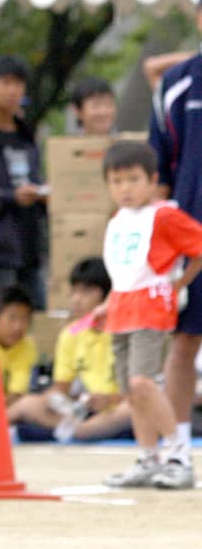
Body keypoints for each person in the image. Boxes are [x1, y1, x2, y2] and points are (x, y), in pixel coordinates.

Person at [99, 140, 202, 489]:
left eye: (133, 179)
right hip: (121, 308)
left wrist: (179, 283)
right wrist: (106, 303)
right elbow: (124, 272)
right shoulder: (118, 220)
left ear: (153, 180)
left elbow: (198, 246)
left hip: (150, 306)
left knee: (143, 382)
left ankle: (177, 454)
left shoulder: (164, 215)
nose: (124, 188)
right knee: (132, 390)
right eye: (116, 181)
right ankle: (147, 458)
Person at [149, 0, 202, 482]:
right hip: (190, 241)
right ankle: (179, 449)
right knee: (183, 342)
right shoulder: (177, 85)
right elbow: (159, 173)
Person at [8, 258, 131, 442]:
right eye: (73, 291)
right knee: (27, 404)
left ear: (107, 296)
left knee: (132, 409)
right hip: (82, 412)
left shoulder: (126, 331)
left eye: (86, 292)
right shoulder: (71, 333)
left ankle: (77, 432)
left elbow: (141, 390)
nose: (76, 299)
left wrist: (109, 400)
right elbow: (61, 388)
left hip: (117, 410)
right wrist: (53, 400)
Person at [0, 54, 48, 309]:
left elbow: (36, 175)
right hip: (0, 241)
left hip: (31, 237)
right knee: (5, 313)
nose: (14, 90)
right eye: (6, 83)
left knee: (37, 310)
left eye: (19, 83)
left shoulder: (26, 133)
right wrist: (12, 196)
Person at [0, 286, 38, 404]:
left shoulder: (27, 346)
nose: (18, 327)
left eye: (25, 319)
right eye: (12, 318)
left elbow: (17, 394)